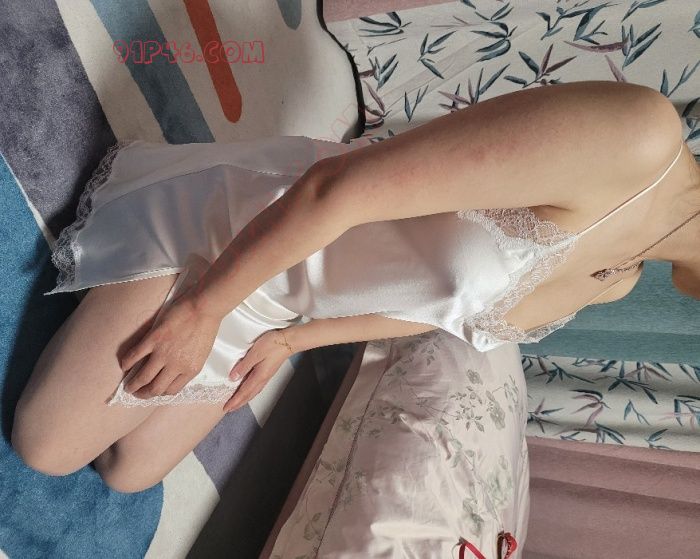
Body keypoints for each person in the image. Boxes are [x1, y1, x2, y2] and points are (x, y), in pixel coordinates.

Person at [10, 80, 700, 495]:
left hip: (278, 306)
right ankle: (157, 263)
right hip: (241, 234)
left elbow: (449, 311)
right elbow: (336, 188)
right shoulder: (637, 138)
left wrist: (292, 340)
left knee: (129, 470)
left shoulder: (619, 278)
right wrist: (203, 307)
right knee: (48, 448)